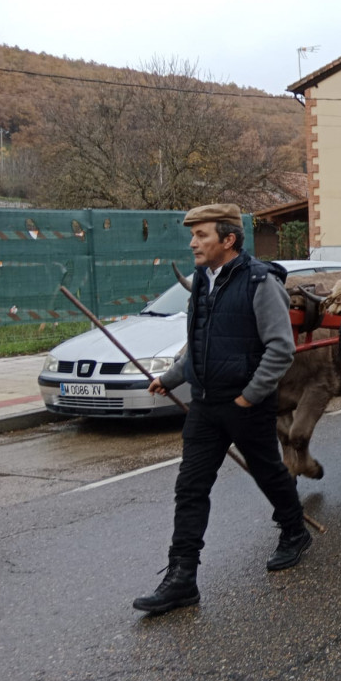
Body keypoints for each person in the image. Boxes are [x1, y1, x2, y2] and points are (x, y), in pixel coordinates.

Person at [133, 204, 306, 616]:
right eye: (192, 236)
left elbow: (281, 348)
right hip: (205, 406)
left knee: (268, 471)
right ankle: (182, 578)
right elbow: (198, 343)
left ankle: (294, 531)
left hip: (246, 404)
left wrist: (249, 395)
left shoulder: (260, 282)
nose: (193, 243)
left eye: (202, 235)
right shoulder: (202, 283)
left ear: (228, 240)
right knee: (190, 489)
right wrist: (173, 377)